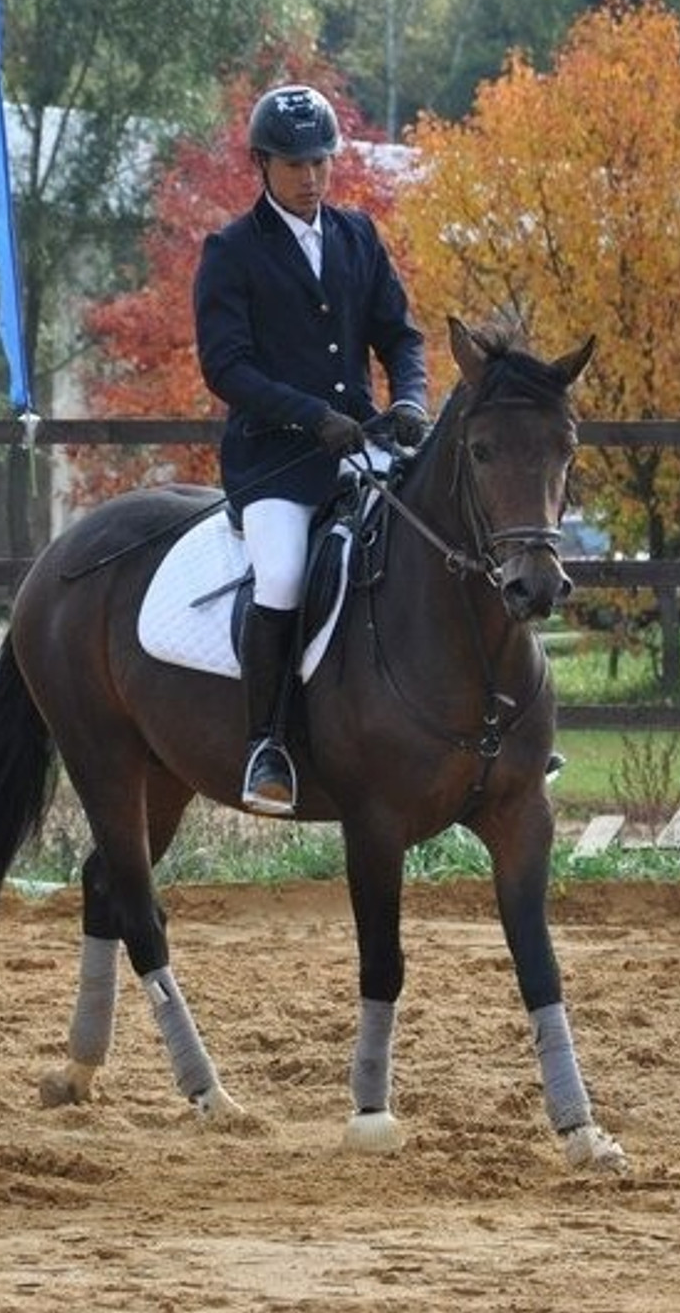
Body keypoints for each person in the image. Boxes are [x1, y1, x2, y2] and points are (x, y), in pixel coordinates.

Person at [193, 83, 432, 816]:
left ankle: (483, 720)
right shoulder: (231, 252)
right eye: (296, 164)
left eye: (321, 161)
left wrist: (413, 398)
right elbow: (226, 367)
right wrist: (311, 416)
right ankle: (266, 744)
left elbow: (401, 335)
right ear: (263, 165)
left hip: (362, 444)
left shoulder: (358, 235)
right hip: (276, 462)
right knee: (285, 577)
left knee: (444, 536)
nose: (312, 176)